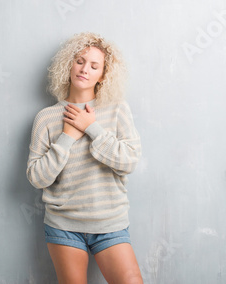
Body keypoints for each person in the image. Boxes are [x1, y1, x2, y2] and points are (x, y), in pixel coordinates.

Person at [26, 32, 143, 284]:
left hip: (110, 223)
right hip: (63, 225)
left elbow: (130, 161)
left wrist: (92, 127)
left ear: (103, 75)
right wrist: (67, 137)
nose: (84, 69)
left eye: (94, 65)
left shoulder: (117, 108)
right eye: (79, 61)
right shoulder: (46, 118)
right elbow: (37, 178)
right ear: (68, 64)